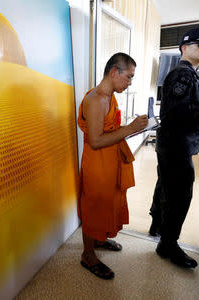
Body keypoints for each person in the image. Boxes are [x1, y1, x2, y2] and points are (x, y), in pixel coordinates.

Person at [148, 26, 199, 268]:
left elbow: (181, 108)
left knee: (169, 189)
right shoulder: (182, 74)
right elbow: (178, 113)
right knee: (180, 196)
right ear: (184, 48)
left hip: (173, 146)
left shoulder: (189, 73)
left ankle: (160, 233)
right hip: (175, 147)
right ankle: (168, 244)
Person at [78, 52, 148, 279]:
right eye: (128, 77)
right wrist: (130, 129)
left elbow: (110, 130)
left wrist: (132, 128)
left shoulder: (110, 97)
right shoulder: (96, 99)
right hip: (97, 164)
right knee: (94, 205)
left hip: (110, 161)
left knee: (108, 202)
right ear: (114, 72)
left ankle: (98, 240)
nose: (130, 83)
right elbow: (96, 141)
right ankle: (88, 255)